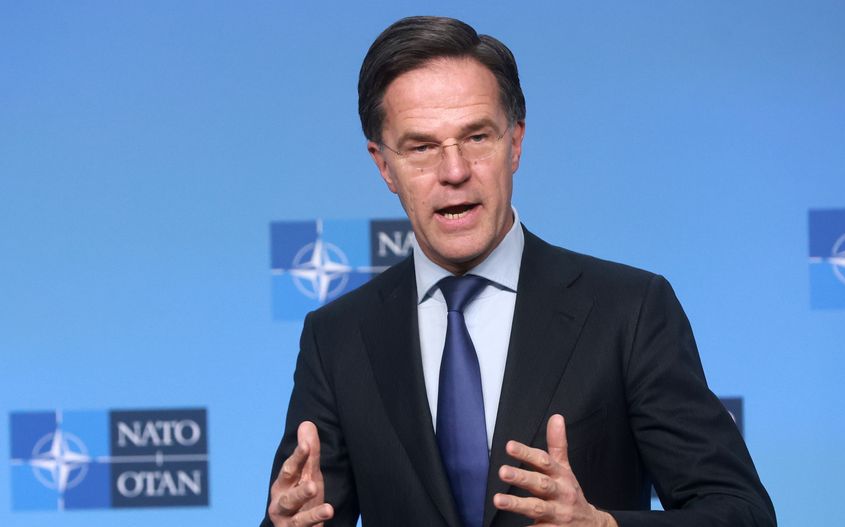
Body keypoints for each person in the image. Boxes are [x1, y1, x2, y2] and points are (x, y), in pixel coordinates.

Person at [261, 16, 775, 527]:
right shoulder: (337, 338)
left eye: (477, 137)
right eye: (422, 147)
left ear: (516, 143)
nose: (455, 171)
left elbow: (742, 513)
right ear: (383, 165)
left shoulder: (630, 311)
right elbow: (305, 513)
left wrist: (602, 526)